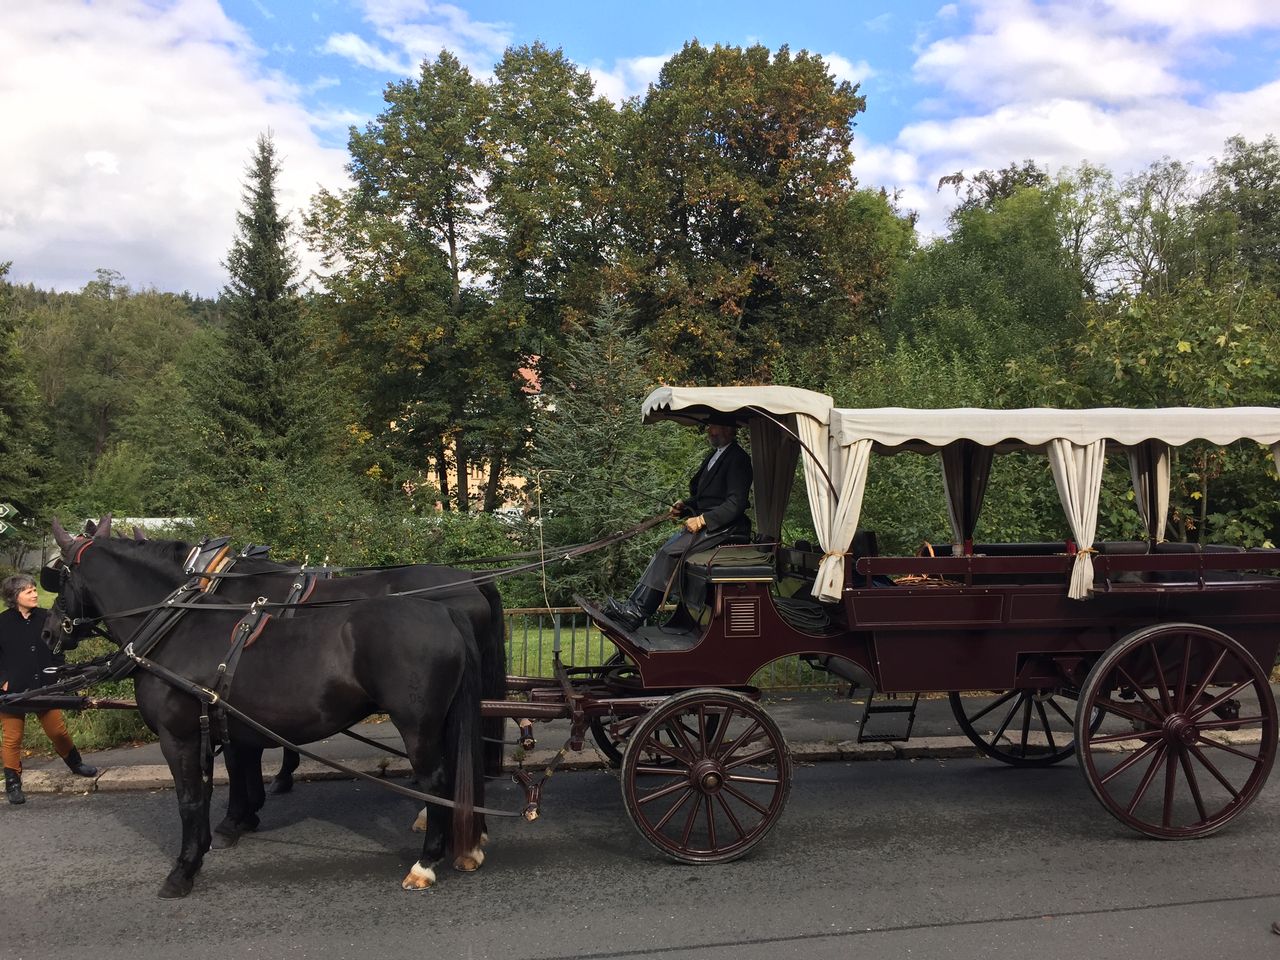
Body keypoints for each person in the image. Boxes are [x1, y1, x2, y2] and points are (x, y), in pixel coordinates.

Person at [607, 418, 753, 630]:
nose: (709, 431)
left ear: (729, 428)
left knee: (669, 552)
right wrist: (685, 505)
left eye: (714, 426)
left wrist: (703, 520)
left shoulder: (739, 458)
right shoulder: (714, 455)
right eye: (709, 427)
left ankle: (637, 612)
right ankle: (632, 605)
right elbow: (707, 497)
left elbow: (736, 503)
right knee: (664, 551)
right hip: (710, 523)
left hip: (726, 528)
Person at [0, 574, 98, 804]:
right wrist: (2, 679)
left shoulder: (46, 617)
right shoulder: (2, 623)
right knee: (12, 739)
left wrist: (59, 671)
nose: (34, 594)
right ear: (15, 597)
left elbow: (58, 647)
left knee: (57, 732)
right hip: (12, 689)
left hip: (44, 686)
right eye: (28, 591)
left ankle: (76, 764)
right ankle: (13, 781)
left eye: (34, 590)